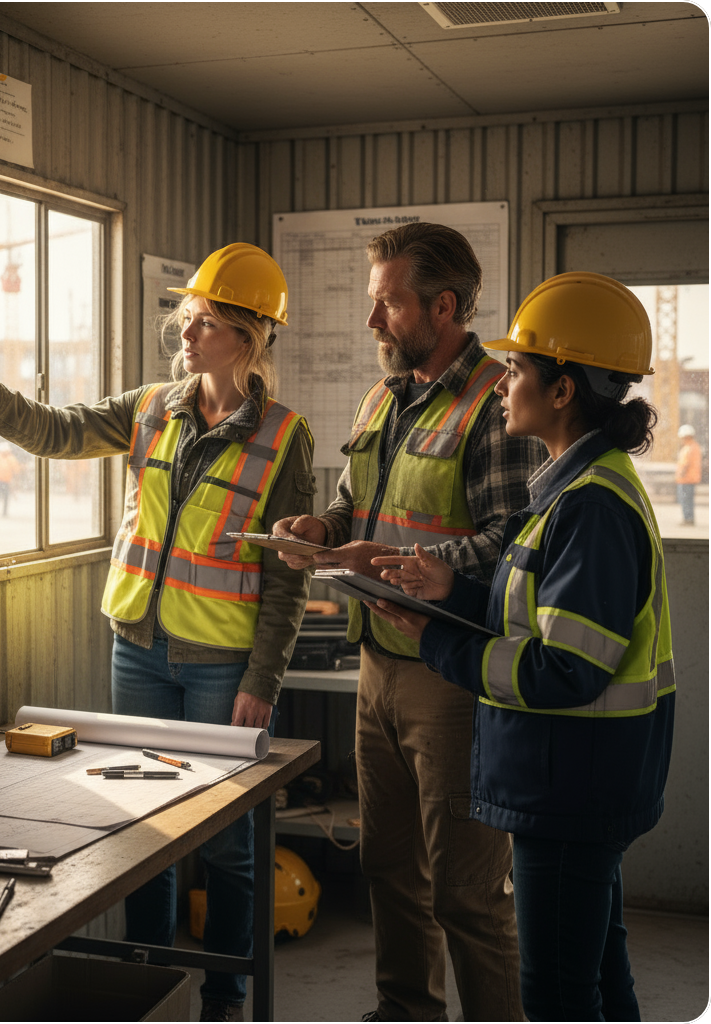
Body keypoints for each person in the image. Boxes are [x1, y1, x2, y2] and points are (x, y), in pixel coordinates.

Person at [0, 242, 315, 1023]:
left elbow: (288, 572)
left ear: (250, 335)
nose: (187, 335)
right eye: (188, 319)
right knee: (143, 830)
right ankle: (144, 979)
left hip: (220, 665)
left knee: (228, 843)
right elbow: (59, 430)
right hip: (136, 648)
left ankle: (226, 998)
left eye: (206, 323)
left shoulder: (284, 437)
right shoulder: (153, 406)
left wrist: (263, 680)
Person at [367, 271, 675, 1022]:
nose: (502, 384)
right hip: (573, 782)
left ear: (563, 390)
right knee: (599, 979)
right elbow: (535, 620)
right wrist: (453, 592)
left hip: (569, 788)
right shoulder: (571, 491)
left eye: (517, 369)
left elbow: (562, 669)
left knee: (559, 997)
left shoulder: (592, 508)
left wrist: (442, 647)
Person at [274, 222, 541, 1022]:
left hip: (453, 676)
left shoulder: (495, 403)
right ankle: (406, 1012)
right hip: (378, 666)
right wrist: (322, 531)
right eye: (374, 302)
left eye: (388, 304)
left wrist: (388, 559)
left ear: (444, 305)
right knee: (389, 868)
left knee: (465, 889)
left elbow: (512, 541)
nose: (373, 322)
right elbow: (360, 501)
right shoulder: (381, 395)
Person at [675, 423, 701, 526]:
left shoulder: (689, 448)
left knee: (686, 500)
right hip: (689, 479)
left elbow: (685, 464)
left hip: (686, 479)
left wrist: (680, 474)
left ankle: (688, 519)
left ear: (686, 437)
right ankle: (689, 518)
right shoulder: (693, 446)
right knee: (687, 500)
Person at [0, 442, 19, 516]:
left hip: (7, 481)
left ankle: (4, 512)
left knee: (6, 497)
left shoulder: (11, 458)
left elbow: (16, 469)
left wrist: (16, 478)